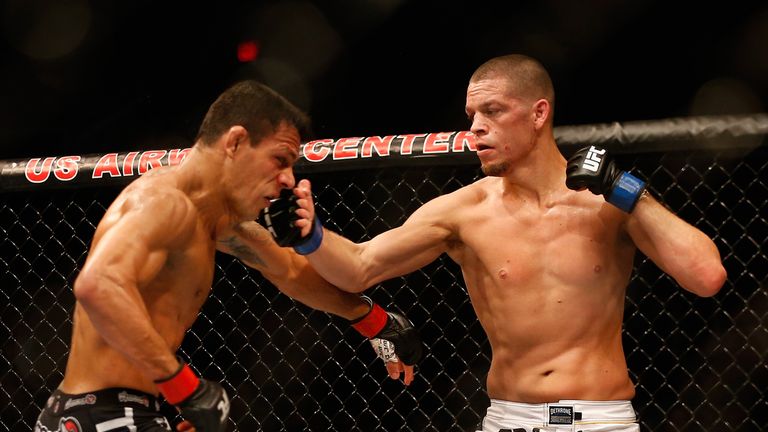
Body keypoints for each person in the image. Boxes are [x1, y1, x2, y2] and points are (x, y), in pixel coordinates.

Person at [268, 55, 727, 431]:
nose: (476, 129)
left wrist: (629, 191)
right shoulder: (464, 211)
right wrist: (311, 238)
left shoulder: (607, 203)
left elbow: (706, 276)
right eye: (472, 116)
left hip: (602, 419)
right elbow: (360, 267)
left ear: (538, 113)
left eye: (493, 111)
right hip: (511, 418)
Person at [34, 81, 421, 432]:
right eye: (280, 160)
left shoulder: (216, 221)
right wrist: (184, 388)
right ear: (235, 142)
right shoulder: (163, 203)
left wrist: (374, 321)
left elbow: (289, 271)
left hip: (116, 411)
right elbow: (96, 285)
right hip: (105, 415)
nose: (288, 179)